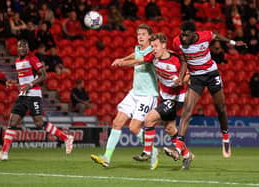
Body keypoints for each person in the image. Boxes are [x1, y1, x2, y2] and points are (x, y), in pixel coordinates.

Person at [112, 33, 194, 170]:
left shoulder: (176, 60)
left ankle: (147, 152)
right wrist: (122, 62)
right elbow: (138, 60)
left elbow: (189, 75)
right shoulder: (153, 57)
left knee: (149, 118)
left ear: (163, 45)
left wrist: (180, 80)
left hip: (177, 97)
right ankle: (187, 155)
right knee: (169, 128)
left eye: (155, 46)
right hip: (165, 96)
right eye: (152, 46)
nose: (153, 49)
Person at [0, 40, 74, 161]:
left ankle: (66, 137)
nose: (22, 48)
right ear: (17, 49)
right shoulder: (17, 61)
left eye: (25, 46)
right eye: (20, 47)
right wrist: (14, 83)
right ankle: (4, 152)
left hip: (33, 94)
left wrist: (30, 84)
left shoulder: (32, 58)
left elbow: (44, 75)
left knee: (38, 123)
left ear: (28, 48)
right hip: (23, 95)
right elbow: (23, 80)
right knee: (12, 121)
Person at [171, 21, 247, 159]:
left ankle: (225, 137)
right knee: (187, 111)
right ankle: (178, 146)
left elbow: (216, 36)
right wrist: (180, 78)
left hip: (212, 75)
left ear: (194, 34)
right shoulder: (177, 42)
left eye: (186, 35)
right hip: (196, 78)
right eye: (182, 34)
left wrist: (234, 43)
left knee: (221, 108)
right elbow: (183, 62)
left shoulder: (205, 36)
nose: (183, 38)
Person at [91, 24, 159, 170]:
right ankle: (107, 157)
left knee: (134, 128)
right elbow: (135, 55)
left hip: (147, 95)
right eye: (138, 34)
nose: (140, 36)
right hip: (134, 93)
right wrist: (122, 57)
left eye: (143, 34)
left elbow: (140, 60)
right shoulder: (138, 48)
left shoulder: (153, 52)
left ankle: (153, 150)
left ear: (149, 37)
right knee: (117, 122)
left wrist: (123, 62)